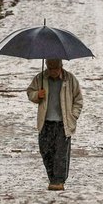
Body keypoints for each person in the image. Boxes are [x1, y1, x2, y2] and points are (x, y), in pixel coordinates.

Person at [26, 59, 83, 191]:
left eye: (55, 68)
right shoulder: (40, 78)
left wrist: (73, 116)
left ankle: (59, 180)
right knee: (45, 150)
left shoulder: (70, 79)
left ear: (61, 66)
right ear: (46, 66)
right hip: (45, 122)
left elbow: (78, 100)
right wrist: (37, 95)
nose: (53, 71)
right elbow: (30, 92)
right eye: (50, 68)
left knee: (61, 153)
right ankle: (52, 177)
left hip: (63, 123)